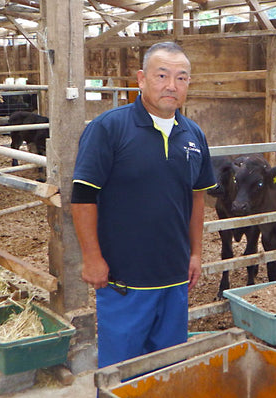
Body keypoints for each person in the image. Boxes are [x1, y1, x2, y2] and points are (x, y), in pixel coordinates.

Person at [71, 42, 216, 368]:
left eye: (181, 78)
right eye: (162, 75)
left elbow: (197, 196)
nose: (171, 86)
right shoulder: (108, 129)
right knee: (119, 370)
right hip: (124, 280)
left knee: (167, 367)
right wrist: (92, 257)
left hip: (175, 278)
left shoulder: (194, 135)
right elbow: (82, 197)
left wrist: (195, 253)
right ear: (141, 79)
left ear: (188, 84)